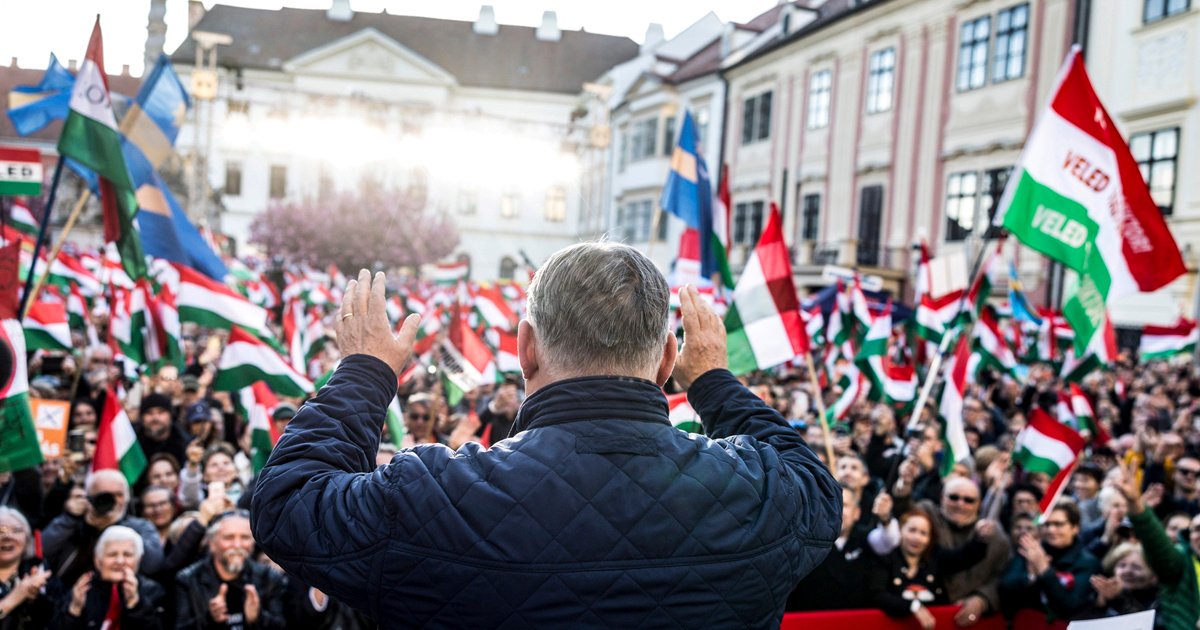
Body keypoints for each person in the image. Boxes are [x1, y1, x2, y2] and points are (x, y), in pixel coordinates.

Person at [251, 251, 841, 627]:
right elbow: (816, 483)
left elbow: (287, 503)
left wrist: (365, 371)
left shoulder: (433, 495)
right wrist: (712, 380)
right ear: (668, 358)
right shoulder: (762, 494)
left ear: (525, 348)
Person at [892, 473, 1010, 626]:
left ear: (979, 504)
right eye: (954, 497)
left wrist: (982, 599)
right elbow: (905, 513)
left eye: (968, 500)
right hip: (923, 616)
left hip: (972, 622)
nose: (960, 504)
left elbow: (1001, 578)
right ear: (942, 497)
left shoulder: (996, 538)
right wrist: (904, 485)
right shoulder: (928, 516)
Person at [868, 510, 997, 630]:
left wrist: (980, 538)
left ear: (930, 538)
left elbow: (965, 557)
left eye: (923, 533)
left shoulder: (936, 556)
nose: (917, 538)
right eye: (912, 530)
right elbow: (877, 595)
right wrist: (912, 606)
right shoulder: (886, 559)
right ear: (900, 531)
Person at [42, 470, 165, 588]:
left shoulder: (140, 527)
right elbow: (42, 551)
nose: (113, 501)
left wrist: (118, 526)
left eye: (119, 495)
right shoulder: (74, 523)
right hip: (72, 595)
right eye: (105, 495)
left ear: (127, 498)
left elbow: (153, 565)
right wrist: (70, 518)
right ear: (89, 497)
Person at [1116, 460, 1199, 630]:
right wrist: (1136, 505)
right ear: (1189, 536)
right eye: (1197, 529)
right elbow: (1157, 545)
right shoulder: (1181, 559)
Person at [174, 510, 287, 630]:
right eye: (229, 537)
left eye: (245, 537)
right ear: (212, 543)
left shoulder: (270, 577)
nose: (237, 545)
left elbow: (282, 626)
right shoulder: (187, 580)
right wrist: (209, 618)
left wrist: (258, 618)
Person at [999, 499, 1100, 621]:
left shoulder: (1088, 563)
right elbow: (1005, 588)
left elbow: (1070, 606)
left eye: (1058, 524)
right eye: (1046, 524)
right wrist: (1031, 577)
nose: (1051, 530)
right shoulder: (1032, 551)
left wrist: (1045, 570)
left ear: (1075, 528)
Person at [49, 525, 166, 630]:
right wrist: (74, 611)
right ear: (97, 560)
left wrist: (135, 604)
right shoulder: (82, 590)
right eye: (112, 554)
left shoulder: (153, 591)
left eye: (127, 554)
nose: (119, 561)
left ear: (139, 559)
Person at [787, 485, 871, 611]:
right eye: (832, 504)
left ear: (857, 512)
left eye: (844, 505)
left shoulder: (868, 541)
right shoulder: (804, 541)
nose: (838, 511)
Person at [0, 507, 57, 628]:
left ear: (27, 539)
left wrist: (34, 599)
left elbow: (59, 620)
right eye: (1, 530)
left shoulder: (40, 572)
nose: (8, 536)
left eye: (16, 530)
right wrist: (13, 599)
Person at [136, 394, 191, 470]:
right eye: (149, 413)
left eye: (161, 412)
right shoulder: (133, 444)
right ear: (142, 417)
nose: (155, 418)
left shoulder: (185, 444)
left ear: (170, 415)